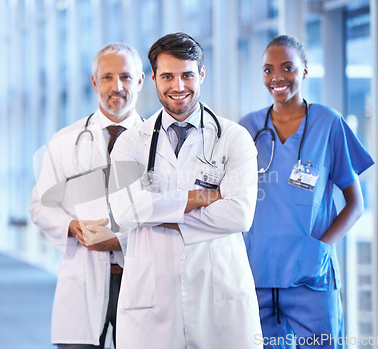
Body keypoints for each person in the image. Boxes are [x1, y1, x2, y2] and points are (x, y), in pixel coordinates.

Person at [107, 32, 262, 349]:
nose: (178, 87)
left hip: (218, 296)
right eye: (167, 76)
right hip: (151, 303)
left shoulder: (234, 138)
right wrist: (201, 197)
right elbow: (125, 211)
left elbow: (240, 215)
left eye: (187, 75)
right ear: (153, 79)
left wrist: (155, 213)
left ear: (201, 74)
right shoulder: (131, 143)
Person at [239, 35, 374, 348]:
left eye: (287, 67)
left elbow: (355, 204)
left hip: (310, 276)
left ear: (304, 70)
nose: (277, 78)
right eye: (268, 70)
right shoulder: (248, 128)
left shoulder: (328, 123)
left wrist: (321, 249)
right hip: (257, 274)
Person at [29, 42, 145, 348]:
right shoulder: (65, 140)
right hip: (83, 274)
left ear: (141, 81)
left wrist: (123, 237)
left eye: (126, 77)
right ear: (94, 82)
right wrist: (72, 226)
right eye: (107, 77)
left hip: (141, 277)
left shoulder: (158, 143)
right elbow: (41, 205)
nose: (117, 86)